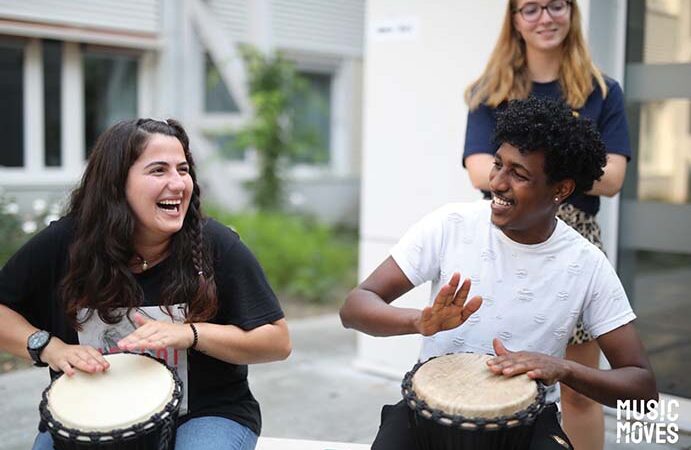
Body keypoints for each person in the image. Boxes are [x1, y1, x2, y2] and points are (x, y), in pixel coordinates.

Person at [340, 97, 656, 450]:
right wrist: (419, 321)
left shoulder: (586, 263)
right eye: (498, 165)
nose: (497, 183)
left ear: (561, 189)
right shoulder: (451, 225)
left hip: (526, 422)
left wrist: (563, 368)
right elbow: (354, 308)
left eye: (518, 174)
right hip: (429, 414)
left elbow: (642, 391)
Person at [0, 118, 291, 450]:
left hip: (202, 413)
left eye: (183, 170)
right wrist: (50, 347)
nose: (179, 183)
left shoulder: (215, 245)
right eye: (159, 171)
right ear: (115, 183)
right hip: (89, 417)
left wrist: (191, 334)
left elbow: (277, 341)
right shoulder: (64, 244)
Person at [462, 1, 631, 447]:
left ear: (572, 12)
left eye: (556, 5)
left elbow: (613, 178)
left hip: (575, 239)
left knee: (578, 392)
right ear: (515, 20)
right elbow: (480, 172)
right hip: (501, 237)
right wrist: (564, 167)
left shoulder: (601, 91)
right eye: (531, 8)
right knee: (490, 373)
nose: (545, 18)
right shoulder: (490, 91)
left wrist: (530, 174)